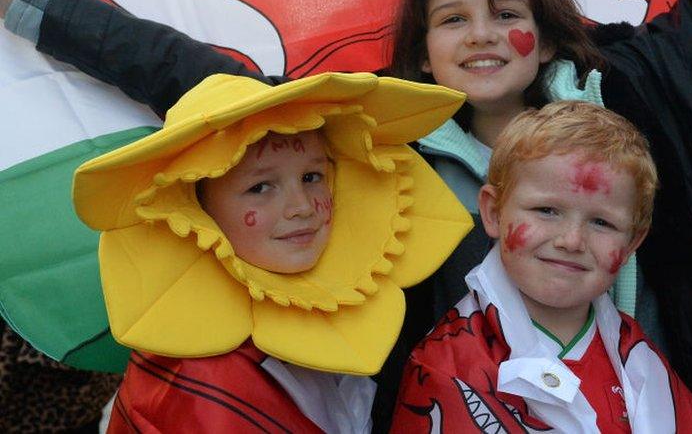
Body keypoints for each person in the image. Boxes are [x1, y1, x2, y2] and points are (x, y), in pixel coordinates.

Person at [0, 0, 692, 430]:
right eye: (453, 19)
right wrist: (23, 0)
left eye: (508, 11)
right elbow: (197, 78)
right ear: (420, 52)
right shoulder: (375, 144)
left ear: (543, 31)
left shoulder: (645, 83)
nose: (485, 34)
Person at [69, 71, 471, 431]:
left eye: (312, 177)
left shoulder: (352, 316)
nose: (301, 206)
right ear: (198, 211)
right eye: (260, 187)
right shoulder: (193, 381)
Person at [392, 101, 692, 432]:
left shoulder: (639, 357)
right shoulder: (445, 365)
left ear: (632, 242)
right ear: (494, 212)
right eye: (546, 211)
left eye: (601, 222)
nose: (571, 241)